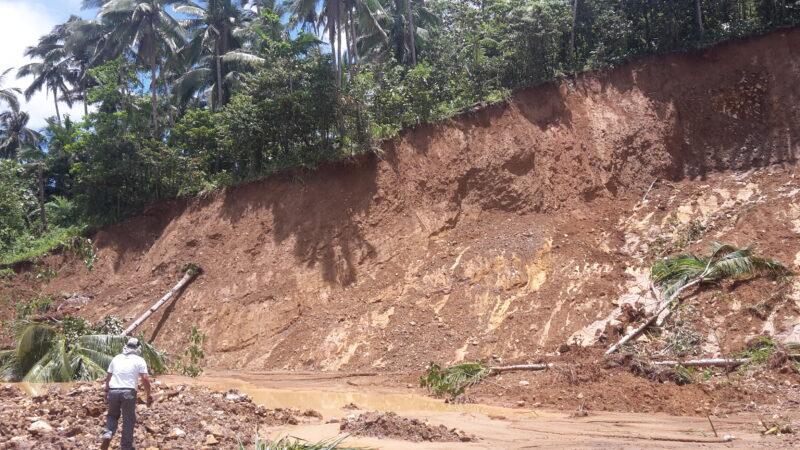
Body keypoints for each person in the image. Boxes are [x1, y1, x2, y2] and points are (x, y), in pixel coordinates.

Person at [100, 338, 153, 450]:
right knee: (128, 418)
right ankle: (126, 446)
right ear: (138, 348)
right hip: (128, 392)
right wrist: (148, 394)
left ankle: (108, 433)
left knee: (112, 415)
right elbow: (145, 378)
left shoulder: (116, 358)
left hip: (113, 391)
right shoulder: (139, 360)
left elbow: (109, 376)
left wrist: (106, 390)